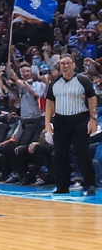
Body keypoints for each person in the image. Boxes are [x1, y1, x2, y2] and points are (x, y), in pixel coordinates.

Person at [44, 55, 97, 195]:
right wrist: (47, 121)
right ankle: (62, 186)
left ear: (74, 65)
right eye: (62, 64)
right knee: (60, 155)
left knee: (83, 154)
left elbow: (92, 98)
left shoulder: (82, 81)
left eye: (68, 63)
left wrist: (93, 119)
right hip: (60, 121)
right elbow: (49, 103)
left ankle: (90, 185)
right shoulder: (54, 83)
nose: (65, 66)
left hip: (79, 120)